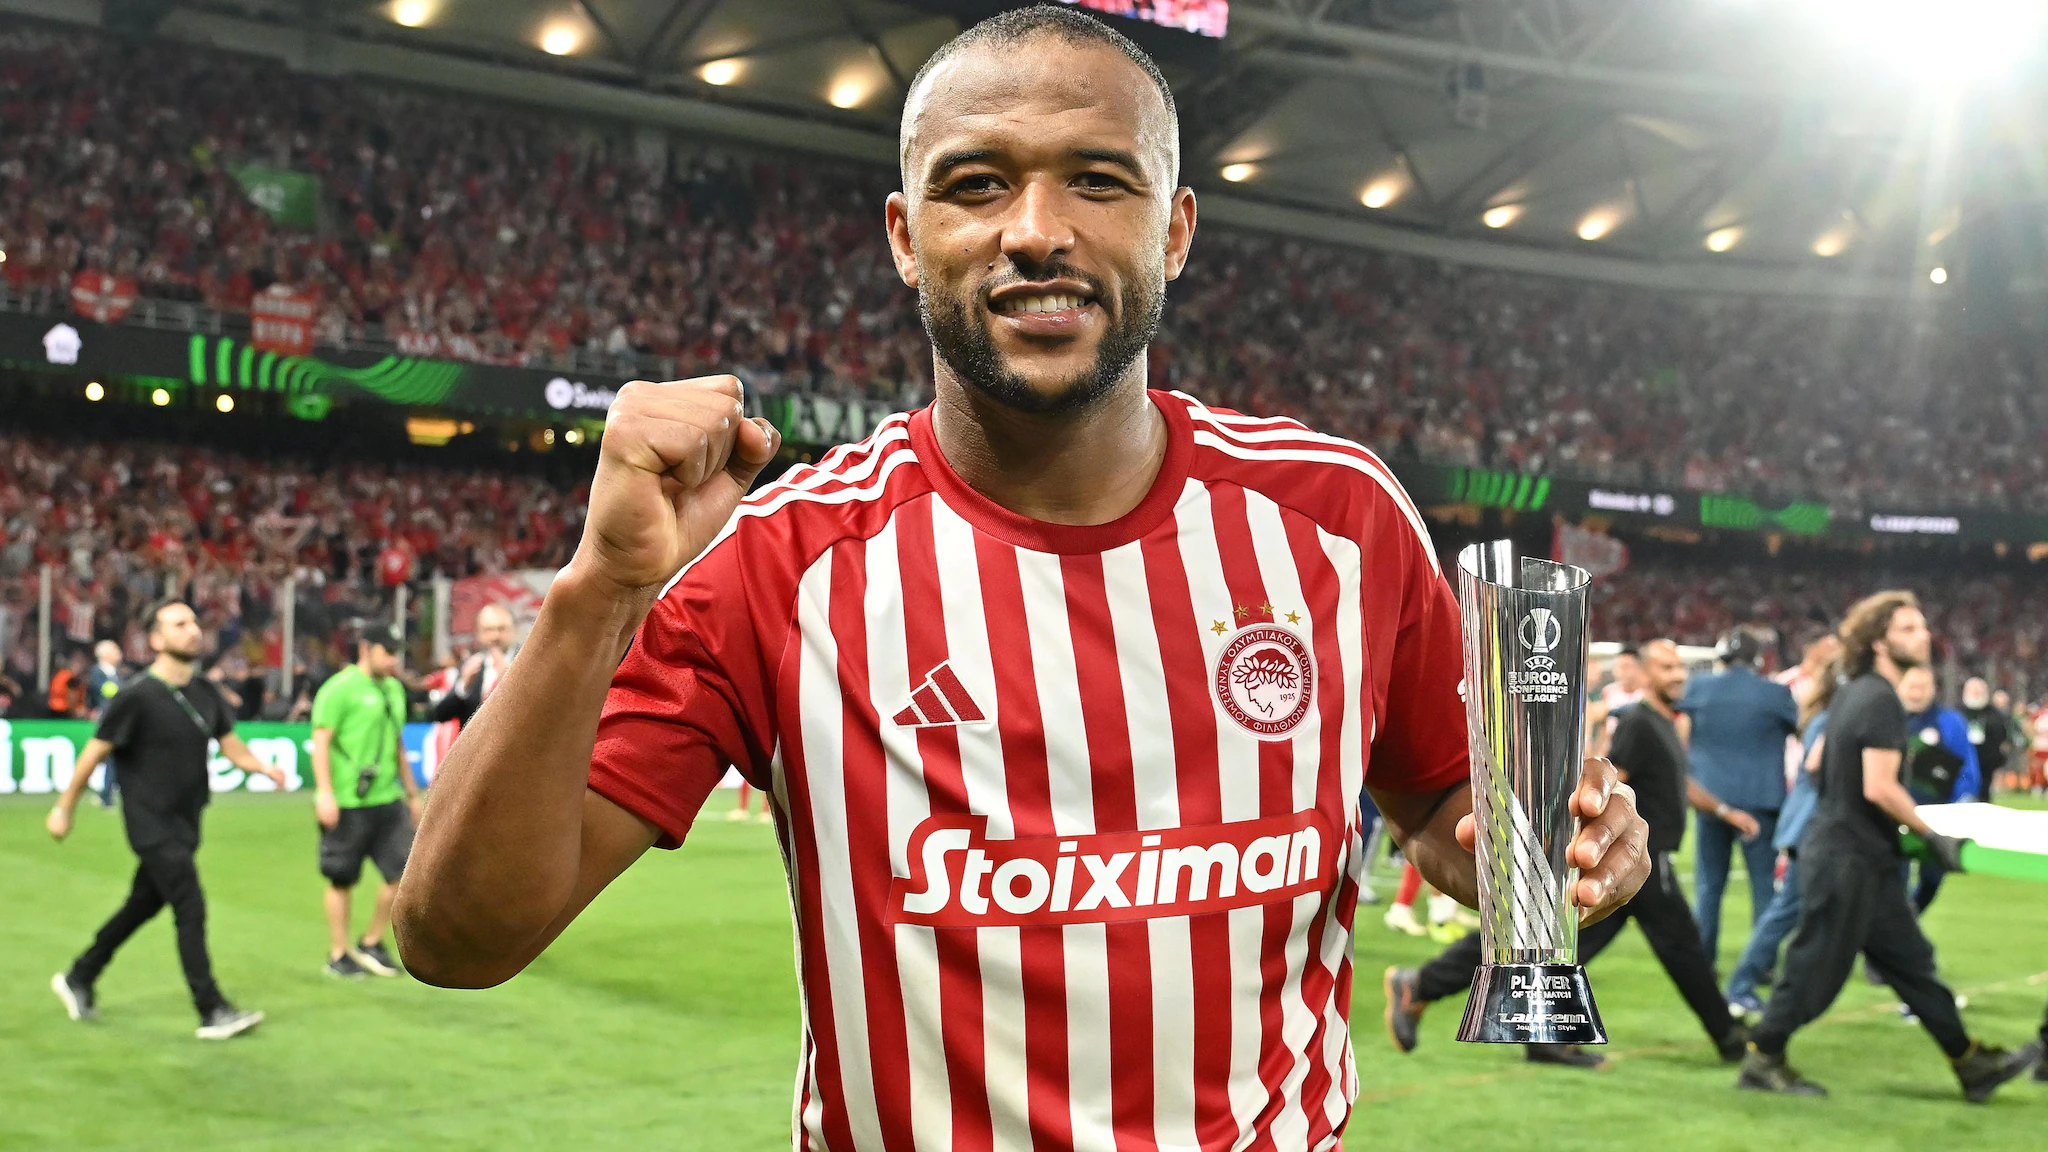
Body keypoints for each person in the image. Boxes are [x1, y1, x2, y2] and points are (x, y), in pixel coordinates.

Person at [390, 9, 1654, 1148]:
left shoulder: (1339, 519)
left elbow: (1442, 808)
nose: (1036, 231)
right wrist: (597, 592)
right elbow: (453, 940)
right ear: (906, 237)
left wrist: (1552, 850)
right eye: (975, 184)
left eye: (1097, 182)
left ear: (1174, 229)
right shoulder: (780, 562)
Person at [1384, 640, 1748, 1069]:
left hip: (1638, 861)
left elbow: (1681, 785)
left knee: (1544, 941)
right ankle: (1731, 1040)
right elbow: (1609, 784)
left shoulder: (1667, 723)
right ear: (1642, 673)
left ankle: (1432, 989)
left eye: (1679, 667)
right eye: (1666, 667)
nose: (1678, 675)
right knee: (1677, 949)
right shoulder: (1639, 723)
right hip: (1625, 857)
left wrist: (1725, 811)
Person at [1738, 591, 2041, 1100]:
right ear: (1879, 641)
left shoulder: (1855, 692)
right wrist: (1932, 835)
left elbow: (1819, 765)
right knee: (1816, 967)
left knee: (1912, 964)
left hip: (1862, 856)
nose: (1923, 635)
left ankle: (1970, 1062)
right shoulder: (1879, 699)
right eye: (1907, 628)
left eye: (1921, 626)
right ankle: (1763, 1057)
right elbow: (1879, 787)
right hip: (1848, 859)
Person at [45, 600, 284, 1040]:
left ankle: (80, 975)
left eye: (193, 622)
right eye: (179, 624)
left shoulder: (205, 691)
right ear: (156, 640)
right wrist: (64, 808)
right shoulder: (136, 695)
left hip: (187, 820)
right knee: (190, 904)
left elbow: (230, 744)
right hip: (150, 823)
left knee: (143, 904)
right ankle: (211, 1009)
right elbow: (94, 753)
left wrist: (262, 768)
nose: (192, 629)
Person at [1679, 624, 1799, 962]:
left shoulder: (1698, 687)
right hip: (1760, 801)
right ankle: (1762, 963)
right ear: (1758, 659)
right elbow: (1800, 730)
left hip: (1711, 800)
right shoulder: (1776, 693)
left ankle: (1703, 961)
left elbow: (1683, 733)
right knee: (1764, 886)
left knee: (1708, 885)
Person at [311, 622, 421, 979]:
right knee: (341, 878)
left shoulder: (394, 689)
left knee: (403, 874)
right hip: (347, 800)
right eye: (387, 651)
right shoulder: (339, 689)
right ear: (365, 649)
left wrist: (412, 794)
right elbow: (321, 742)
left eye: (396, 653)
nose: (393, 659)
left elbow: (398, 744)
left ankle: (371, 941)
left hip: (387, 797)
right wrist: (325, 792)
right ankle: (338, 953)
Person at [1725, 666, 1836, 1016]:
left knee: (1819, 913)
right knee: (1787, 910)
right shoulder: (1832, 720)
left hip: (1813, 827)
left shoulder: (1823, 717)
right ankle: (1740, 986)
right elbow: (1817, 766)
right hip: (1812, 828)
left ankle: (1789, 988)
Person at [1896, 666, 1978, 915]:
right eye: (1912, 687)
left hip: (1937, 818)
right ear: (1900, 687)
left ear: (1933, 689)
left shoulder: (1950, 723)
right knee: (1893, 879)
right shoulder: (1888, 719)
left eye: (1923, 687)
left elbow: (1967, 768)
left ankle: (1909, 919)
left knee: (1932, 879)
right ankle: (1897, 927)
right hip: (1894, 814)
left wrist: (1962, 801)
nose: (1917, 693)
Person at [428, 603, 516, 729]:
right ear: (478, 634)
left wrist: (509, 680)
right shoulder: (470, 666)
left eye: (501, 629)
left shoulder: (526, 664)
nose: (495, 636)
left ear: (514, 631)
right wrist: (463, 686)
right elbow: (440, 715)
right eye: (488, 630)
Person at [84, 638, 125, 808]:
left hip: (119, 718)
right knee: (109, 756)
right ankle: (106, 795)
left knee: (114, 758)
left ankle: (107, 794)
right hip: (108, 719)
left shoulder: (116, 673)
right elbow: (104, 692)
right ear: (106, 655)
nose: (119, 654)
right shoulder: (97, 673)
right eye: (116, 650)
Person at [1958, 677, 2007, 804]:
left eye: (1979, 691)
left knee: (1983, 796)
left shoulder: (1994, 714)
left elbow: (2001, 735)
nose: (1976, 694)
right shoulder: (1958, 713)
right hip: (1962, 761)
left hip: (1986, 762)